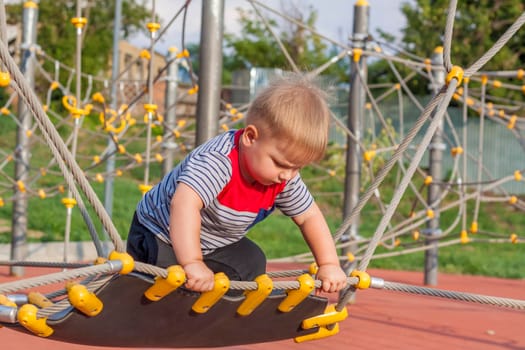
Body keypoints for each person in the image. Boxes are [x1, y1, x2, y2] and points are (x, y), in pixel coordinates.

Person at [127, 74, 347, 295]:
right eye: (281, 163)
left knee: (251, 262)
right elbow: (183, 205)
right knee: (174, 284)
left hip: (214, 243)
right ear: (250, 137)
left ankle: (224, 313)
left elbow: (309, 216)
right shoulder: (219, 161)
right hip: (160, 234)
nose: (288, 175)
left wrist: (328, 264)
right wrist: (192, 261)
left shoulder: (283, 178)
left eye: (298, 167)